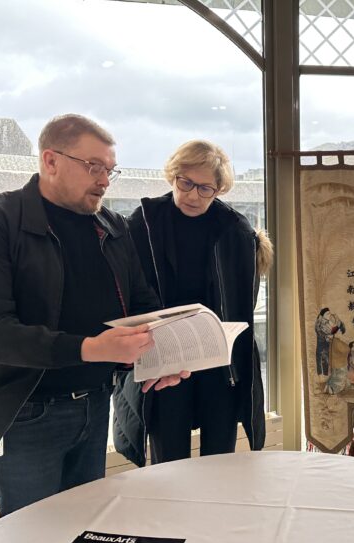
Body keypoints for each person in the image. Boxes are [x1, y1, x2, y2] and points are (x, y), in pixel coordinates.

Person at [0, 114, 188, 516]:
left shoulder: (111, 226)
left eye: (110, 169)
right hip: (28, 409)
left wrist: (161, 354)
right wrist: (89, 349)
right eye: (94, 166)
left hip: (96, 403)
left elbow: (141, 303)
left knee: (83, 536)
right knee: (30, 539)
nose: (105, 180)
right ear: (50, 160)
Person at [113, 139, 273, 466]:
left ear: (219, 190)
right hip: (163, 359)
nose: (192, 195)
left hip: (218, 363)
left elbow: (242, 305)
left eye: (205, 189)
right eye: (185, 183)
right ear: (173, 176)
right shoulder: (144, 221)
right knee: (168, 461)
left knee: (219, 461)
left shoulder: (234, 229)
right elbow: (124, 290)